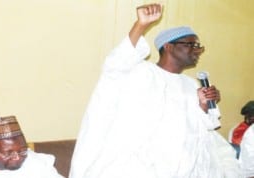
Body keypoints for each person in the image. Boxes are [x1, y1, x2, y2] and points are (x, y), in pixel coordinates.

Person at [70, 3, 240, 178]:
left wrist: (204, 107)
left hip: (185, 166)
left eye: (198, 46)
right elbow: (115, 65)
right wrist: (140, 25)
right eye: (191, 44)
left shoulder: (191, 84)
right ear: (168, 46)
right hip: (145, 167)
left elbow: (200, 127)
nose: (197, 51)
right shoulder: (142, 72)